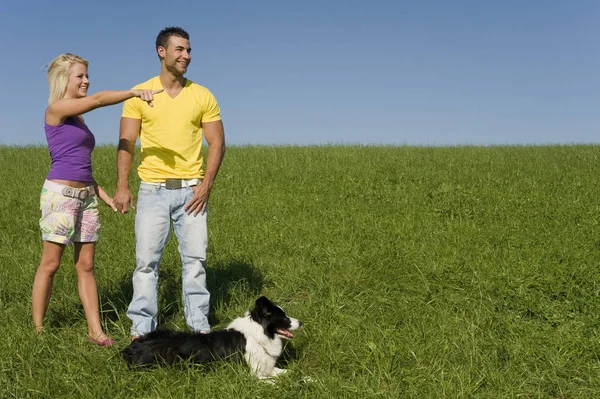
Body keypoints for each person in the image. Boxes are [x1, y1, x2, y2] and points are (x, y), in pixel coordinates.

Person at [32, 53, 162, 346]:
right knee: (51, 264)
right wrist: (134, 92)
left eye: (87, 76)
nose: (86, 81)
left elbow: (80, 164)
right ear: (64, 79)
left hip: (86, 197)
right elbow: (99, 100)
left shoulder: (77, 119)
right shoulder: (56, 109)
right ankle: (38, 332)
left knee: (86, 266)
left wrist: (104, 196)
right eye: (80, 76)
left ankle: (96, 332)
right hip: (60, 196)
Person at [114, 27, 226, 339]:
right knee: (147, 263)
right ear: (161, 52)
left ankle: (199, 329)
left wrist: (206, 185)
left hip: (192, 191)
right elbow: (126, 142)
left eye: (188, 50)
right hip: (152, 190)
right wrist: (122, 186)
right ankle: (141, 331)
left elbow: (217, 142)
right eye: (179, 50)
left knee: (195, 262)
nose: (186, 56)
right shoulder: (140, 94)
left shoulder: (202, 95)